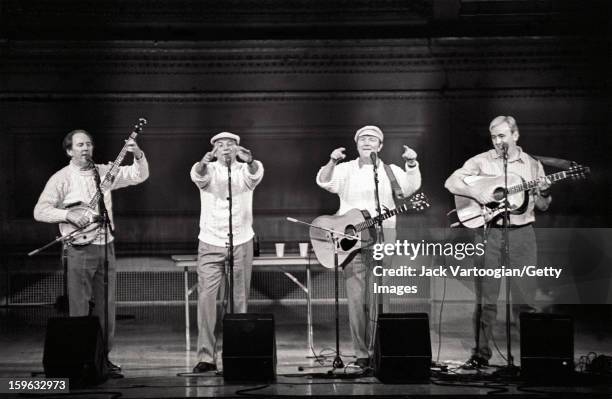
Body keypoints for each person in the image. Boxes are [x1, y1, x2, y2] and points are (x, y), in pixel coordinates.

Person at [34, 129, 149, 375]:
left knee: (107, 307)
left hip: (106, 246)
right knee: (79, 306)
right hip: (78, 249)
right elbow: (40, 211)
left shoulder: (104, 172)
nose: (85, 149)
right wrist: (68, 214)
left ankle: (102, 359)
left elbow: (138, 175)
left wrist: (137, 154)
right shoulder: (61, 178)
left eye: (88, 144)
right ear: (69, 150)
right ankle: (81, 359)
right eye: (79, 145)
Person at [444, 115, 552, 369]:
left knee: (525, 299)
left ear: (515, 135)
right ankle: (480, 355)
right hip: (489, 233)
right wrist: (477, 192)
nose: (497, 141)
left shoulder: (533, 165)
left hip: (523, 234)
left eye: (502, 136)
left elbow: (544, 206)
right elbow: (451, 182)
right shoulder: (480, 161)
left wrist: (544, 191)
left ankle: (532, 358)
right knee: (486, 300)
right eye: (494, 137)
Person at [316, 125, 421, 368]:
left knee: (380, 297)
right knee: (355, 299)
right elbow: (324, 181)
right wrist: (332, 161)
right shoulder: (345, 169)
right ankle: (361, 353)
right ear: (356, 144)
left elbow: (409, 189)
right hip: (351, 241)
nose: (367, 142)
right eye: (362, 138)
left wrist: (412, 163)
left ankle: (380, 349)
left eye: (372, 139)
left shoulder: (390, 171)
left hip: (383, 238)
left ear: (380, 146)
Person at [190, 132, 264, 373]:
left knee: (239, 300)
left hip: (241, 240)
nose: (225, 148)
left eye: (230, 145)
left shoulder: (247, 169)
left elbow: (255, 175)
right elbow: (198, 177)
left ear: (238, 149)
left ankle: (237, 353)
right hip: (210, 241)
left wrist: (250, 161)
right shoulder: (206, 168)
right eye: (220, 145)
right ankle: (206, 357)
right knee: (206, 300)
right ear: (213, 150)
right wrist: (203, 162)